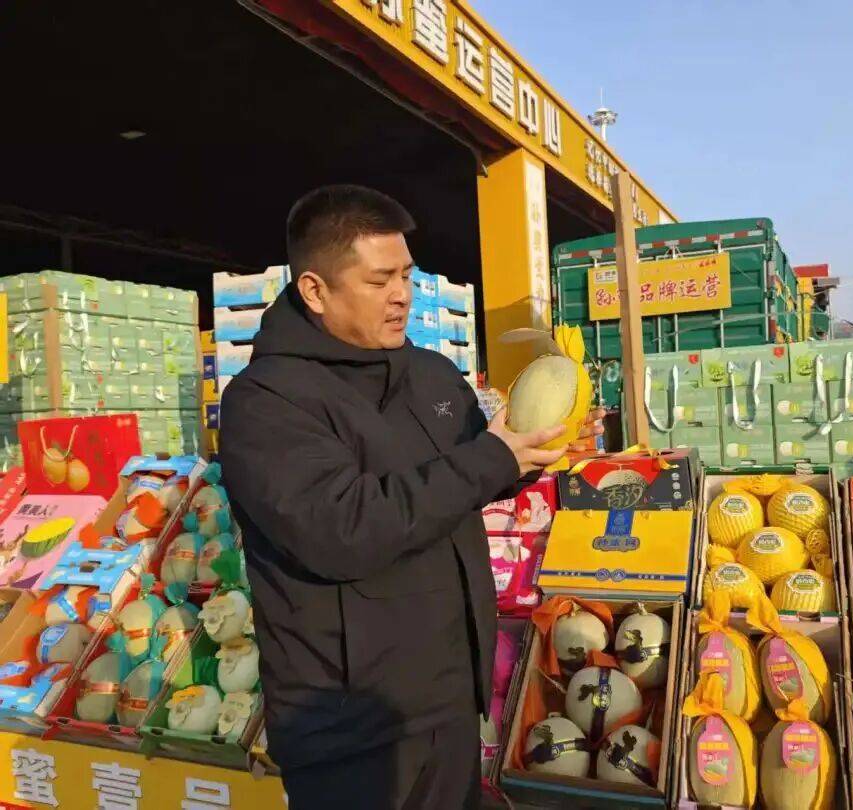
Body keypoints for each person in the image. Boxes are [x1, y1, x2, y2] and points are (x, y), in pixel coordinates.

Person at [219, 185, 602, 810]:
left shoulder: (429, 373)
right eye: (379, 280)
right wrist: (490, 459)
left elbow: (469, 472)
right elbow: (342, 529)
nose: (402, 295)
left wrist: (529, 454)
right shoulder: (266, 403)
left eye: (406, 274)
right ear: (315, 290)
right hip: (353, 731)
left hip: (449, 698)